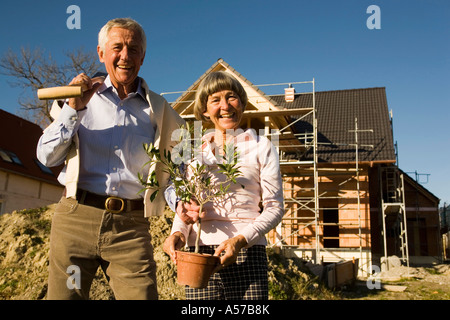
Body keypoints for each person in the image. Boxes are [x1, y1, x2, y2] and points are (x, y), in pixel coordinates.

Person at [37, 18, 184, 300]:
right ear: (101, 53)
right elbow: (46, 156)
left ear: (143, 57)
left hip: (131, 227)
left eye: (134, 48)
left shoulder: (161, 111)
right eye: (117, 47)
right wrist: (74, 110)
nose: (125, 56)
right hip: (76, 218)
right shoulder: (75, 98)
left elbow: (173, 169)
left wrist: (181, 203)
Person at [163, 71, 284, 300]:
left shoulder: (262, 146)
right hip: (199, 254)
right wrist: (177, 233)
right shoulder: (192, 153)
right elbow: (188, 207)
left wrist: (239, 241)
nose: (225, 106)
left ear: (242, 103)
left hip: (247, 252)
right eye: (215, 100)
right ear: (205, 111)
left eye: (231, 97)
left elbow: (275, 207)